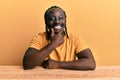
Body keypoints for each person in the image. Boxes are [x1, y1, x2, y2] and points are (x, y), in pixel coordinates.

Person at [23, 6, 96, 70]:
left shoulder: (74, 38)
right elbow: (27, 63)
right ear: (46, 22)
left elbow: (90, 63)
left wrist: (58, 64)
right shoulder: (39, 38)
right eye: (52, 19)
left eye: (60, 18)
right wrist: (54, 43)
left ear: (65, 20)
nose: (57, 22)